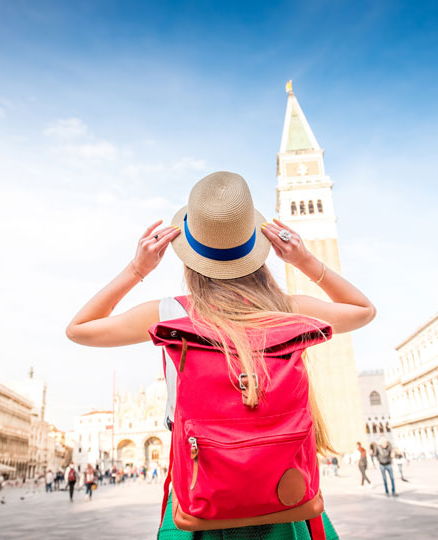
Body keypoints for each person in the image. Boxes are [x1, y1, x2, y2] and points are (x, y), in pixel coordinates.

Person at [65, 171, 376, 539]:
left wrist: (138, 269)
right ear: (257, 252)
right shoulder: (289, 309)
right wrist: (304, 260)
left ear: (189, 257)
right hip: (286, 499)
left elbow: (79, 329)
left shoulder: (169, 314)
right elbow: (362, 310)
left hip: (200, 499)